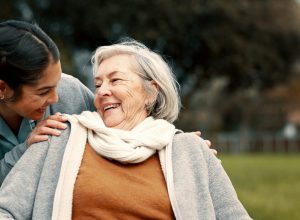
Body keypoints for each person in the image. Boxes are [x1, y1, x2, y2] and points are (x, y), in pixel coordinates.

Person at [0, 39, 251, 219]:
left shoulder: (188, 149)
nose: (102, 91)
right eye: (97, 84)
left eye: (115, 80)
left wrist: (190, 150)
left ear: (152, 91)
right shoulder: (59, 135)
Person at [0, 20, 95, 184]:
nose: (55, 99)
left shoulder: (72, 92)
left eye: (57, 83)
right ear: (2, 88)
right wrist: (26, 150)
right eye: (43, 91)